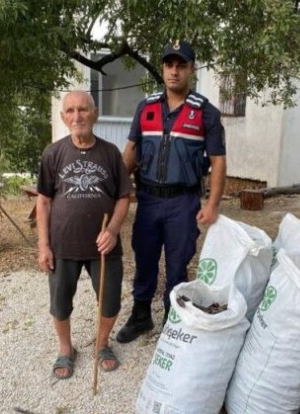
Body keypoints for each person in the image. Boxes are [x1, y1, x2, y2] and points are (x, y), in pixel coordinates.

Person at [116, 40, 227, 343]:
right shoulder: (146, 107)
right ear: (163, 68)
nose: (174, 71)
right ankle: (141, 316)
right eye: (169, 65)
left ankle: (173, 320)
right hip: (148, 200)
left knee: (177, 264)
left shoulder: (207, 114)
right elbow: (131, 152)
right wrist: (114, 189)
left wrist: (213, 203)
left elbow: (218, 163)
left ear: (192, 69)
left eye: (181, 65)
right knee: (145, 260)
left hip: (183, 201)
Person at [36, 90, 132, 379]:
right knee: (61, 302)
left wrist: (113, 230)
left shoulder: (110, 153)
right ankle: (66, 350)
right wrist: (43, 245)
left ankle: (102, 345)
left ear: (95, 113)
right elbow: (43, 201)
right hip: (63, 244)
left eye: (83, 110)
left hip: (104, 245)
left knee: (111, 300)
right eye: (71, 111)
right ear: (63, 117)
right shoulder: (53, 153)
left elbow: (124, 197)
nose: (77, 116)